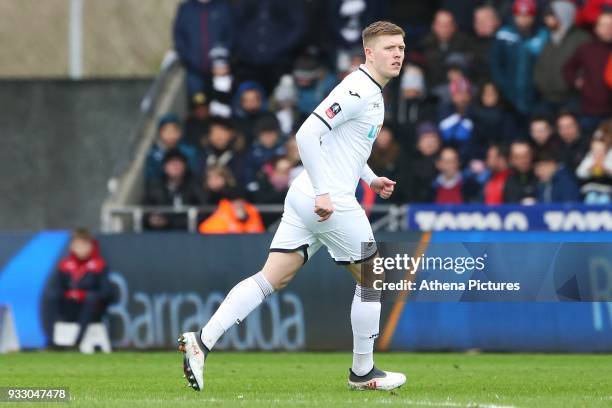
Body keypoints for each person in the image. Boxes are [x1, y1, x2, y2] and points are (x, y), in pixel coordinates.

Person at [179, 21, 407, 392]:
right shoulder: (358, 89)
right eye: (388, 48)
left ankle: (201, 341)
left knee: (272, 277)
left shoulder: (371, 91)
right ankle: (363, 373)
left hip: (309, 196)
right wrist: (322, 192)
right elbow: (306, 134)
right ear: (368, 52)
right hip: (326, 200)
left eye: (400, 47)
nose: (397, 54)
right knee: (372, 278)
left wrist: (369, 179)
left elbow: (343, 144)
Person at [53, 229, 112, 348]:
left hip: (93, 310)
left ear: (91, 246)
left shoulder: (99, 265)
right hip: (70, 308)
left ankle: (78, 341)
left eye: (85, 245)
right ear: (72, 246)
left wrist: (83, 295)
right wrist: (70, 295)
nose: (81, 249)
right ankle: (52, 340)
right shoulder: (64, 265)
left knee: (91, 298)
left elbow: (106, 292)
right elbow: (58, 289)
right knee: (51, 296)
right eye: (78, 245)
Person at [490, 0, 548, 117]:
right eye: (520, 15)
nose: (524, 19)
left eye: (528, 15)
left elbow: (546, 64)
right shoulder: (504, 34)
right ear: (514, 15)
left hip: (534, 95)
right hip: (508, 96)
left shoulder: (542, 35)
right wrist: (503, 86)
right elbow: (495, 63)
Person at [533, 1, 591, 114]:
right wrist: (538, 81)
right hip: (545, 98)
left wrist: (576, 81)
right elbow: (539, 64)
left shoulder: (582, 39)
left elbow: (588, 67)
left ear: (563, 15)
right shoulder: (546, 37)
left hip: (571, 99)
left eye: (551, 15)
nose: (546, 18)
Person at [563, 11, 612, 134]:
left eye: (611, 26)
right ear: (596, 28)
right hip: (589, 110)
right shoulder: (586, 48)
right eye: (604, 25)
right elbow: (568, 68)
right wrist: (576, 81)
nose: (608, 29)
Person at [143, 149, 204, 231]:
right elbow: (144, 211)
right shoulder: (154, 187)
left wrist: (171, 222)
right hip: (159, 234)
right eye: (172, 164)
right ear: (164, 167)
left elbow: (203, 211)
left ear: (185, 166)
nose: (176, 167)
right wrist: (151, 219)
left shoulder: (194, 186)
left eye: (179, 163)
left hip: (189, 234)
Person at [198, 189, 265, 234]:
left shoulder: (251, 212)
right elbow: (204, 229)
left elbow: (259, 232)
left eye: (241, 202)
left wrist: (243, 220)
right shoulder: (224, 213)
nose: (239, 205)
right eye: (236, 202)